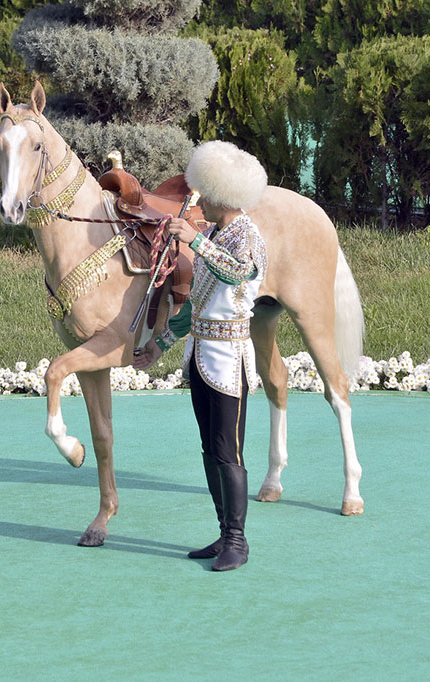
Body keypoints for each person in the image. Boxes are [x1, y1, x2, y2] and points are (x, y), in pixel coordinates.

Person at [133, 141, 268, 571]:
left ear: (222, 192)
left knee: (229, 452)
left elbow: (240, 271)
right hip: (201, 356)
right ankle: (223, 530)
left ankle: (238, 541)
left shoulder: (246, 234)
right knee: (209, 450)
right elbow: (195, 306)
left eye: (203, 192)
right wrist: (160, 345)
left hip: (230, 360)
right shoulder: (211, 232)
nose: (198, 199)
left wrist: (195, 242)